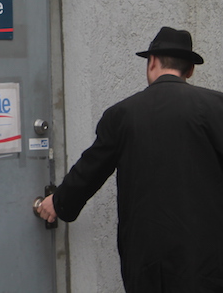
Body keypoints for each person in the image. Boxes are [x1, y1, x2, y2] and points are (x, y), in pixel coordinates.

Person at [36, 26, 223, 292]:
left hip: (147, 261)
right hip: (206, 261)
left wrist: (58, 202)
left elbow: (91, 169)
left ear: (152, 63)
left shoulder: (122, 114)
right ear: (190, 70)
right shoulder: (216, 108)